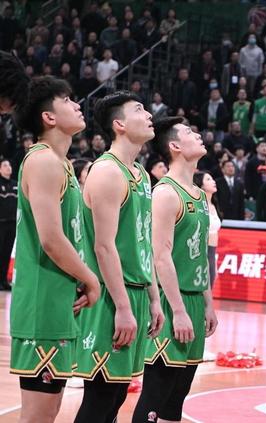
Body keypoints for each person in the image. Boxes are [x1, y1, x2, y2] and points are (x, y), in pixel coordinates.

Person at [10, 77, 100, 423]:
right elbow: (50, 238)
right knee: (37, 416)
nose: (77, 105)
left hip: (58, 300)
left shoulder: (62, 163)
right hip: (42, 303)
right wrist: (91, 279)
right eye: (67, 100)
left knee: (48, 413)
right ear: (48, 117)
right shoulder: (43, 160)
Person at [74, 92, 164, 422]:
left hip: (136, 292)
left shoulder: (140, 174)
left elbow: (143, 243)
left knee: (116, 397)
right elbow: (104, 247)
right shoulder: (107, 171)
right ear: (119, 124)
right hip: (111, 296)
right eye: (139, 109)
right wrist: (123, 308)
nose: (149, 114)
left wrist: (154, 299)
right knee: (100, 397)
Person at [132, 117, 218, 422]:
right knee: (155, 396)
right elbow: (160, 257)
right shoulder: (166, 193)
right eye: (189, 132)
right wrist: (178, 311)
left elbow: (200, 257)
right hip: (171, 302)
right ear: (175, 146)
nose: (198, 135)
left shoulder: (199, 195)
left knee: (176, 399)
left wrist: (208, 304)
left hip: (194, 299)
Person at [194, 172, 221, 289]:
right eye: (208, 179)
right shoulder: (197, 204)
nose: (213, 181)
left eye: (212, 178)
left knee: (210, 287)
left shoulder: (214, 205)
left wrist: (214, 260)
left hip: (212, 252)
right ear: (201, 185)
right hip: (200, 252)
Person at [0, 159, 17, 290]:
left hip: (12, 224)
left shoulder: (15, 185)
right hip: (1, 223)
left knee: (7, 253)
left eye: (9, 165)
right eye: (5, 165)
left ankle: (4, 280)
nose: (8, 167)